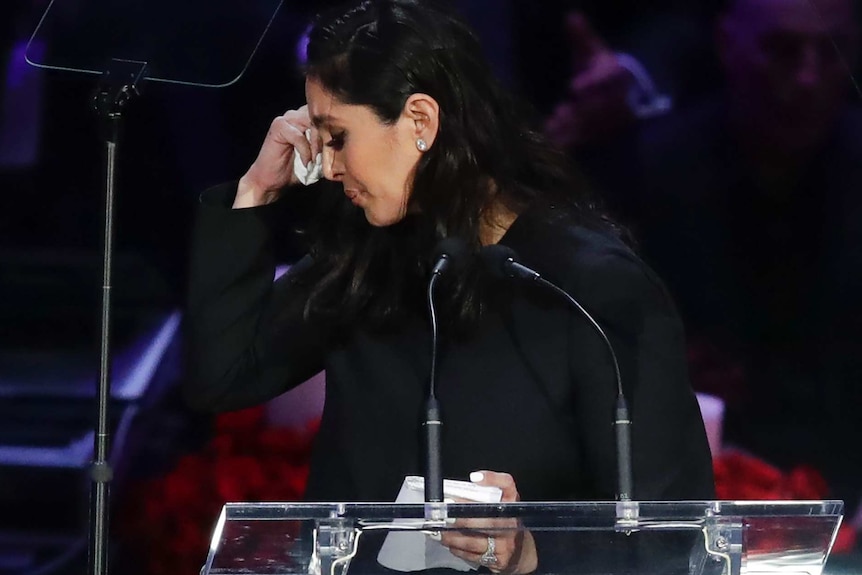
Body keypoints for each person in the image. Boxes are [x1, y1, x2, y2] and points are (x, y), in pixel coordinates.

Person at [184, 0, 715, 572]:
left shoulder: (591, 287)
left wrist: (531, 553)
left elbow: (674, 530)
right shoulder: (368, 256)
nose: (329, 167)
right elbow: (223, 377)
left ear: (420, 121)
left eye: (337, 136)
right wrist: (256, 191)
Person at [625, 0, 862, 515]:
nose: (807, 78)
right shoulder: (652, 173)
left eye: (832, 51)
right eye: (782, 51)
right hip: (688, 495)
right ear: (728, 45)